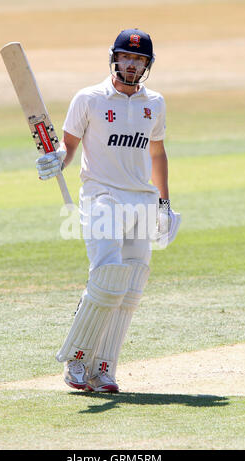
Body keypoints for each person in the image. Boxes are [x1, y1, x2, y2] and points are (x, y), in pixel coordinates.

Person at [36, 28, 181, 393]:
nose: (132, 65)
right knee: (108, 276)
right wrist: (57, 160)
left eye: (139, 60)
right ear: (114, 58)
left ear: (147, 65)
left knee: (131, 286)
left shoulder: (156, 103)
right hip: (102, 196)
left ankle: (103, 369)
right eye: (126, 57)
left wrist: (164, 203)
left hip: (142, 201)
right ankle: (77, 360)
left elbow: (157, 153)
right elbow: (68, 147)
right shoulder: (89, 98)